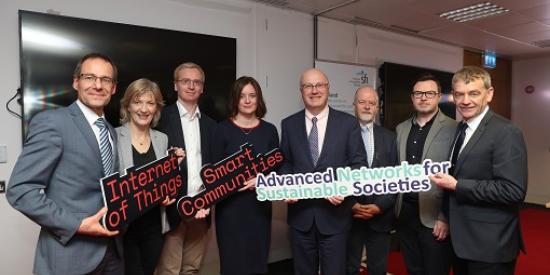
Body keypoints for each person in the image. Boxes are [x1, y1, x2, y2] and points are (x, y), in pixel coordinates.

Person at [7, 53, 123, 275]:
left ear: (114, 88)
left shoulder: (109, 130)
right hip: (70, 256)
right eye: (90, 77)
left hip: (112, 253)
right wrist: (77, 225)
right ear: (76, 82)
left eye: (106, 80)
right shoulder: (53, 122)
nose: (98, 85)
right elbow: (20, 191)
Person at [430, 66, 527, 275]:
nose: (465, 101)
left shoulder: (506, 132)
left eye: (474, 93)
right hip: (460, 242)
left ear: (489, 94)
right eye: (459, 94)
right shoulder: (459, 129)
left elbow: (513, 190)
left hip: (490, 245)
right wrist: (444, 216)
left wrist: (457, 185)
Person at [280, 68, 367, 275]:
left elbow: (359, 165)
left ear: (328, 88)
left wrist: (343, 188)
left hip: (335, 218)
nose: (314, 90)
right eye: (308, 86)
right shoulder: (289, 124)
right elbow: (285, 163)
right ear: (301, 91)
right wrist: (287, 187)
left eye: (319, 85)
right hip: (301, 218)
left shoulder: (348, 124)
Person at [211, 76, 279, 275]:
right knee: (232, 264)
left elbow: (277, 170)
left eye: (252, 96)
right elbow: (213, 174)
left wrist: (263, 180)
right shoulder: (220, 130)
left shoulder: (270, 130)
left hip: (259, 208)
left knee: (258, 263)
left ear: (259, 99)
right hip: (230, 210)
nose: (248, 101)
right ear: (235, 99)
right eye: (242, 96)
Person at [116, 78, 185, 275]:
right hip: (125, 229)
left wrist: (170, 189)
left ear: (157, 108)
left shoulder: (161, 139)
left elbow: (164, 181)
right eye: (138, 102)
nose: (144, 109)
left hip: (154, 228)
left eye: (150, 103)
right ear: (127, 105)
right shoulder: (114, 136)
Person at [155, 62, 216, 275]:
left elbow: (214, 168)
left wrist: (209, 200)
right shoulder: (159, 119)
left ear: (202, 87)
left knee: (192, 269)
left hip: (201, 209)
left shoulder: (211, 125)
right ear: (175, 85)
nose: (191, 86)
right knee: (168, 271)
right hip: (171, 210)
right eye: (185, 81)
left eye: (196, 82)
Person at [394, 73, 456, 275]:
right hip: (405, 215)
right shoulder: (400, 129)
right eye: (418, 93)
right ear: (412, 97)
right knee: (413, 269)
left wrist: (444, 216)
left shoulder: (454, 128)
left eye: (429, 93)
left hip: (435, 219)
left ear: (439, 96)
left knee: (435, 270)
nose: (423, 97)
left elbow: (457, 174)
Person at [346, 86, 398, 275]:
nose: (367, 106)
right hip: (350, 214)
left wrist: (380, 206)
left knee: (378, 268)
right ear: (354, 105)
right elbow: (335, 174)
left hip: (380, 215)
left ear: (377, 108)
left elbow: (396, 176)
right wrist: (352, 204)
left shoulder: (391, 138)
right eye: (362, 102)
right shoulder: (341, 135)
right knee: (349, 268)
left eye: (372, 103)